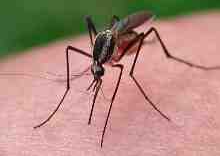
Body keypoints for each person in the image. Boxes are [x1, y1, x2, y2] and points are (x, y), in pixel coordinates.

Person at [0, 11, 220, 155]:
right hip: (108, 42)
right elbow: (99, 47)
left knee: (134, 56)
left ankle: (177, 59)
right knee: (84, 32)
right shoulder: (97, 58)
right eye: (97, 70)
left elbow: (118, 59)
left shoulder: (108, 58)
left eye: (97, 71)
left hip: (123, 41)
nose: (96, 73)